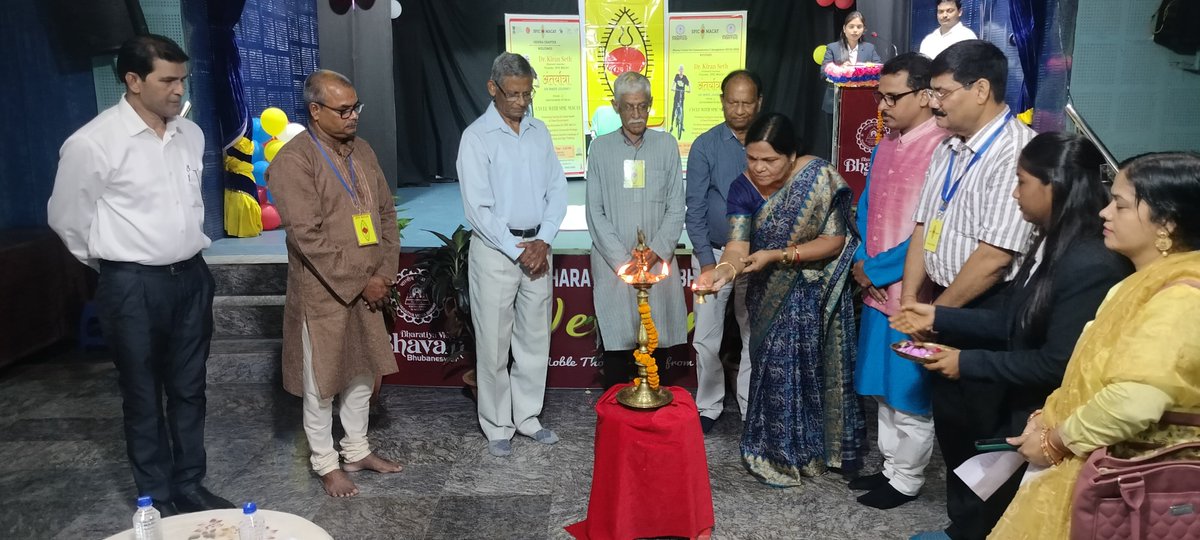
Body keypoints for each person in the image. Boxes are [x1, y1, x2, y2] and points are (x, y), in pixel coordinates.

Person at [891, 133, 1132, 533]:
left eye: (1021, 182)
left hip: (1045, 412)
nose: (1015, 194)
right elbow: (1013, 318)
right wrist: (936, 317)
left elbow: (1058, 362)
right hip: (1016, 398)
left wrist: (963, 361)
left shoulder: (1090, 261)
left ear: (1051, 185)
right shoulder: (1055, 239)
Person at [47, 34, 234, 516]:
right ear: (132, 81)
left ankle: (191, 484)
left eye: (182, 80)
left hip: (192, 278)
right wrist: (115, 264)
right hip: (131, 285)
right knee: (142, 393)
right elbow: (67, 218)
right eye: (167, 80)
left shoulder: (190, 134)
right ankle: (158, 496)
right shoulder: (93, 142)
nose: (178, 90)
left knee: (190, 388)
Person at [989, 152, 1200, 540]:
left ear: (1166, 222)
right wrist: (1051, 413)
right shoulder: (1142, 283)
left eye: (1120, 204)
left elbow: (1133, 401)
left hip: (1127, 486)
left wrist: (1055, 440)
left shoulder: (1179, 300)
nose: (1104, 213)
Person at [898, 39, 1036, 540]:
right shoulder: (947, 146)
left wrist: (935, 317)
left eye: (942, 91)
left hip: (990, 310)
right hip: (943, 304)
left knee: (988, 434)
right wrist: (914, 300)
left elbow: (995, 257)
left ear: (981, 89)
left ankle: (989, 531)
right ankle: (963, 526)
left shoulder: (1014, 152)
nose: (934, 102)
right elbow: (922, 224)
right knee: (953, 426)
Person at [693, 113, 865, 486]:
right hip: (766, 292)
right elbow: (738, 247)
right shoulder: (742, 188)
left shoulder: (818, 177)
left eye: (769, 160)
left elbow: (834, 241)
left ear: (792, 156)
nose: (759, 168)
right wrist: (722, 272)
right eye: (752, 159)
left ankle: (813, 450)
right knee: (771, 369)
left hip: (811, 289)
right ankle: (773, 451)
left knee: (810, 369)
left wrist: (778, 255)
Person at [267, 69, 403, 497]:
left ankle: (357, 449)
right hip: (323, 294)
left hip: (369, 286)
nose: (353, 117)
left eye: (355, 107)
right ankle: (326, 463)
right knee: (322, 382)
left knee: (363, 372)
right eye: (343, 110)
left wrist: (382, 273)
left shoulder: (362, 150)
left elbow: (385, 216)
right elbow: (307, 238)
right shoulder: (294, 160)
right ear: (315, 110)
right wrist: (362, 282)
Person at [848, 53, 949, 510]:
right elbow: (868, 208)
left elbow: (928, 233)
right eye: (880, 96)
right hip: (875, 288)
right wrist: (863, 261)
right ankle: (891, 467)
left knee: (909, 390)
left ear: (926, 95)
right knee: (884, 385)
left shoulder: (942, 149)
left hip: (914, 293)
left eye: (893, 97)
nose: (884, 106)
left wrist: (877, 269)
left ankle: (908, 479)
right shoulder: (888, 142)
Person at [457, 52, 567, 458]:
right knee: (493, 341)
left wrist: (545, 238)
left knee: (535, 338)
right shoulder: (476, 138)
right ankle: (497, 423)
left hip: (538, 248)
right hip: (496, 253)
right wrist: (517, 249)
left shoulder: (539, 132)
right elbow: (478, 209)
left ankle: (528, 417)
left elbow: (557, 190)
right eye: (514, 94)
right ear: (493, 89)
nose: (521, 102)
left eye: (527, 94)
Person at [586, 71, 688, 389]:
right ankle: (621, 424)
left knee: (657, 341)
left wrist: (655, 250)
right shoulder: (600, 149)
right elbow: (595, 211)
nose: (635, 114)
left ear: (651, 105)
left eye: (642, 106)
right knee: (619, 344)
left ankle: (656, 420)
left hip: (657, 262)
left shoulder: (667, 145)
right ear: (616, 106)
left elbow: (676, 205)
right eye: (628, 107)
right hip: (614, 263)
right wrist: (623, 259)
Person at [686, 70, 763, 434]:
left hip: (757, 258)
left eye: (747, 102)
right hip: (713, 255)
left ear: (759, 103)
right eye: (732, 101)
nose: (739, 109)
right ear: (721, 101)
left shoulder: (770, 142)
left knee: (753, 333)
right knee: (706, 336)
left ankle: (750, 405)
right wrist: (705, 262)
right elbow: (695, 207)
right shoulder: (705, 145)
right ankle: (709, 404)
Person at [822, 11, 883, 114]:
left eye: (859, 27)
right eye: (851, 27)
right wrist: (840, 69)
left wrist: (865, 68)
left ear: (863, 29)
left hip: (862, 101)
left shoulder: (869, 48)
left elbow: (879, 70)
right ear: (844, 29)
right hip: (836, 101)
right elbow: (823, 72)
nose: (855, 30)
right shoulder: (833, 48)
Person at [669, 65, 690, 139]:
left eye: (682, 69)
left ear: (683, 70)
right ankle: (671, 125)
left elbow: (688, 83)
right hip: (676, 95)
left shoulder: (685, 77)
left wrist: (689, 89)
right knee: (674, 109)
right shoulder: (676, 76)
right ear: (679, 70)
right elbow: (674, 82)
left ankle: (682, 125)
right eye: (680, 69)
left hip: (682, 95)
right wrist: (672, 87)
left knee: (682, 110)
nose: (681, 71)